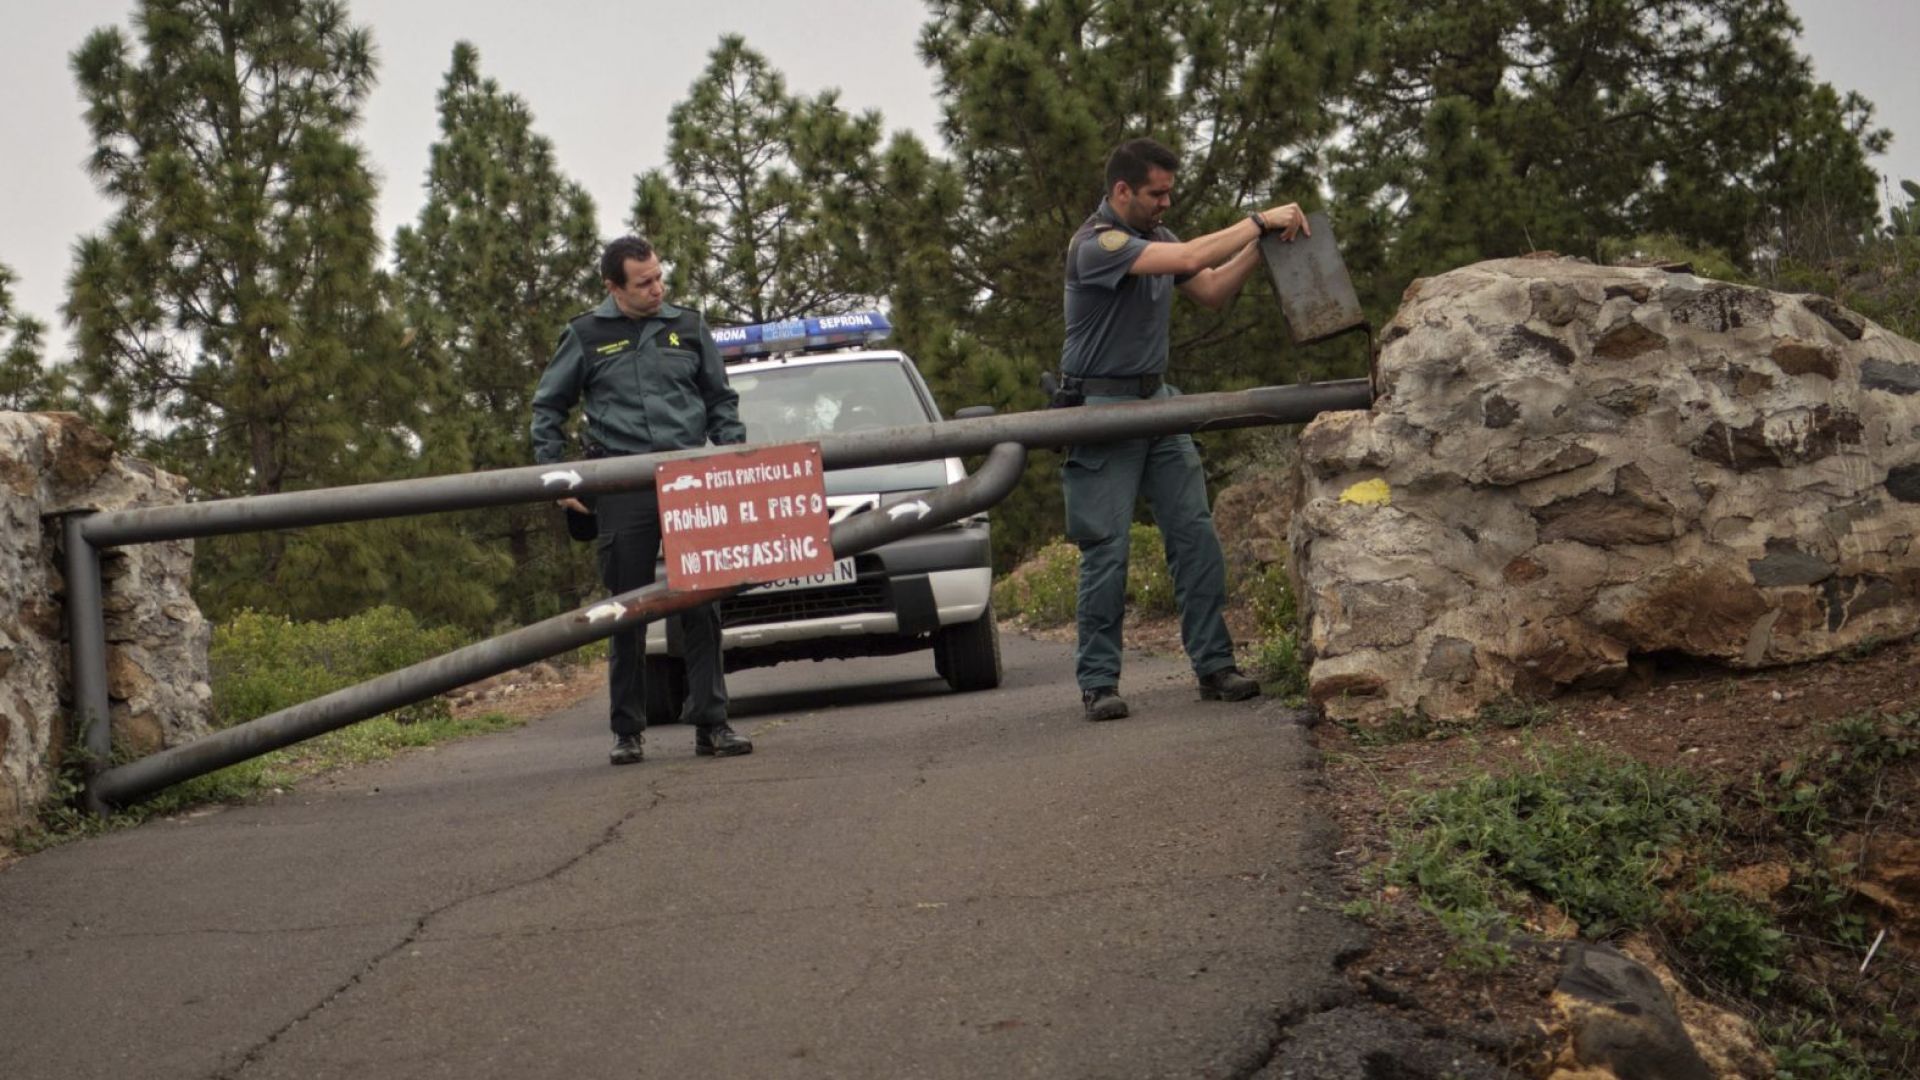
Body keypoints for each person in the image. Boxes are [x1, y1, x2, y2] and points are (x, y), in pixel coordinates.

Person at [1058, 137, 1310, 722]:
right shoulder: (1097, 244)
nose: (1166, 203)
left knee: (1195, 538)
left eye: (1169, 192)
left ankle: (1215, 666)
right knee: (1107, 551)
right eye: (1156, 193)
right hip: (1103, 408)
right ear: (1122, 191)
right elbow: (1193, 258)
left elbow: (1212, 288)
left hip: (1159, 403)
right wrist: (1258, 220)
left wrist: (1260, 247)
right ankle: (1099, 682)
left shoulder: (1160, 237)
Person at [531, 235, 753, 764]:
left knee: (702, 604)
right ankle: (627, 731)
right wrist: (559, 482)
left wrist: (734, 459)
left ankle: (712, 724)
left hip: (690, 482)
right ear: (614, 287)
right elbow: (548, 408)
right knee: (626, 609)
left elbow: (720, 400)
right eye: (644, 282)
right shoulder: (586, 334)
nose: (657, 289)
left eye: (659, 277)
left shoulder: (689, 326)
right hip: (622, 485)